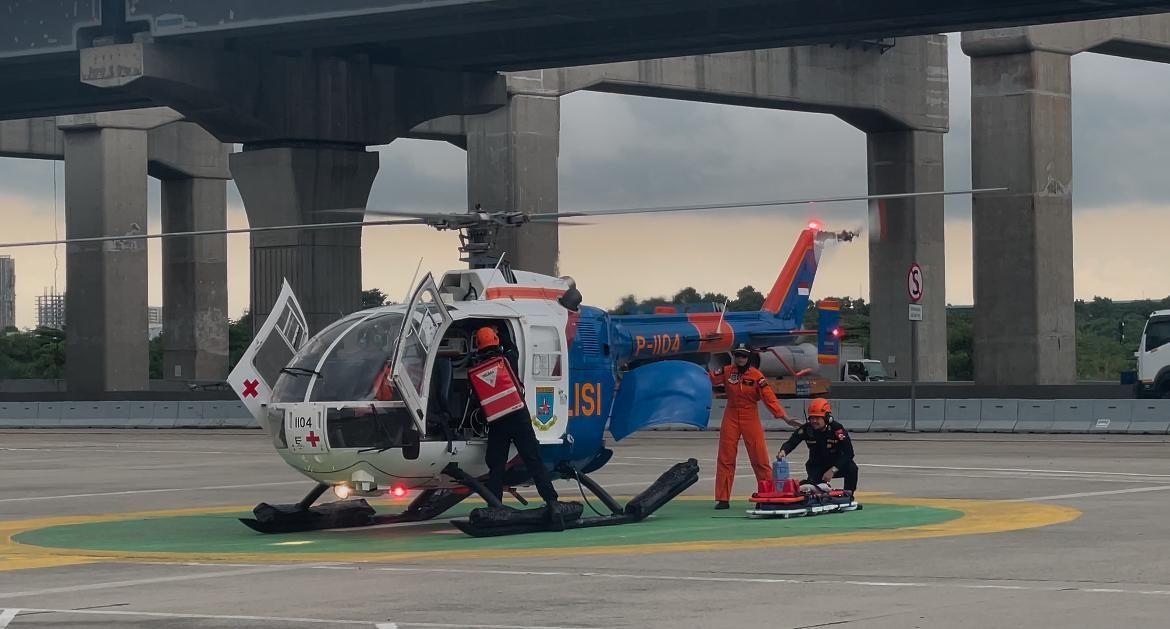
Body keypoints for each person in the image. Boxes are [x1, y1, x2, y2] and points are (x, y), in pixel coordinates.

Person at [466, 325, 562, 510]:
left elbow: (476, 400)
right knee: (533, 460)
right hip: (518, 417)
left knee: (496, 466)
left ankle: (494, 506)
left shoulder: (475, 370)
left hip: (497, 422)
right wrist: (501, 329)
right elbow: (513, 347)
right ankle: (551, 501)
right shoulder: (508, 359)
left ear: (477, 345)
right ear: (496, 340)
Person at [709, 343, 801, 510]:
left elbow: (769, 399)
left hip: (750, 416)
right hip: (730, 415)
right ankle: (723, 498)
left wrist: (784, 417)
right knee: (725, 458)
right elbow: (708, 378)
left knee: (759, 458)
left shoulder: (757, 376)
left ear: (749, 357)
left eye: (743, 356)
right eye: (737, 355)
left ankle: (767, 495)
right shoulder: (727, 371)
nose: (740, 359)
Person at [776, 398, 858, 491]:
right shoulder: (807, 429)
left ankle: (849, 495)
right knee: (812, 488)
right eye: (812, 418)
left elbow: (849, 453)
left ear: (827, 418)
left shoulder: (837, 429)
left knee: (852, 468)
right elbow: (792, 442)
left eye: (817, 418)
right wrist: (783, 451)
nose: (814, 421)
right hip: (816, 466)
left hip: (836, 465)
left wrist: (833, 470)